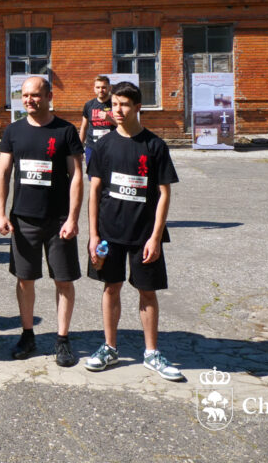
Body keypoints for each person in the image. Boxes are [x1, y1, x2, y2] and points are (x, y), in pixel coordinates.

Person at [84, 82, 184, 381]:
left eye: (125, 104)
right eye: (114, 104)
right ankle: (110, 348)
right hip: (109, 232)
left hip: (143, 235)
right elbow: (95, 191)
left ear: (138, 107)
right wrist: (93, 234)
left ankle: (151, 353)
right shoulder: (103, 145)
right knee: (110, 287)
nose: (118, 110)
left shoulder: (154, 145)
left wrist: (156, 236)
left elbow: (164, 194)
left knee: (147, 292)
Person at [0, 76, 84, 366]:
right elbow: (3, 173)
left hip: (59, 221)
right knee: (25, 280)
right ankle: (27, 335)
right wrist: (0, 213)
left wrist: (73, 218)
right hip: (24, 220)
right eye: (24, 95)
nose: (29, 100)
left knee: (64, 281)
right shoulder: (14, 131)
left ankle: (63, 339)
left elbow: (76, 176)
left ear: (48, 97)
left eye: (35, 95)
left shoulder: (65, 131)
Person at [79, 76, 116, 169]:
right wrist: (79, 148)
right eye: (98, 87)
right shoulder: (89, 105)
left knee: (110, 175)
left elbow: (124, 126)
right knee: (93, 175)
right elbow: (84, 127)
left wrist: (110, 119)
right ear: (94, 88)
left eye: (103, 87)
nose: (100, 90)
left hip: (111, 147)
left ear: (109, 88)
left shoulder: (115, 104)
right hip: (92, 147)